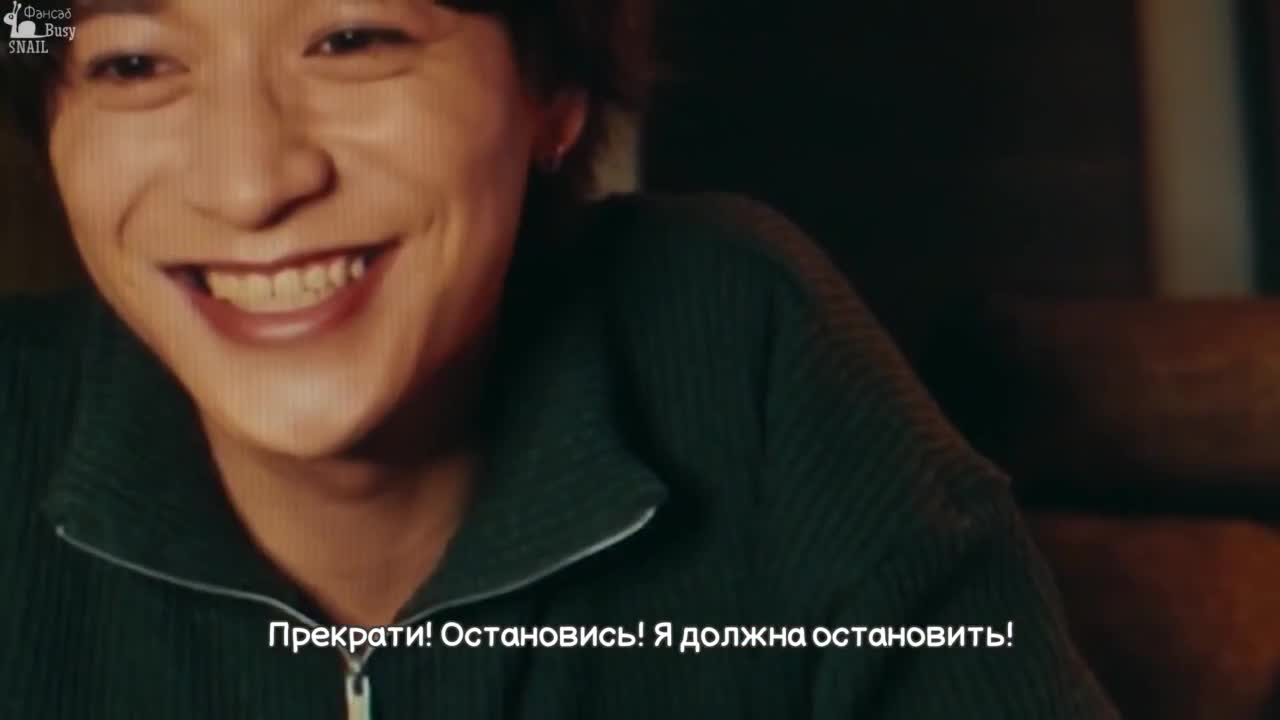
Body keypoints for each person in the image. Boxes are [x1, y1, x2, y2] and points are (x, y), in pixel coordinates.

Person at [0, 0, 1121, 718]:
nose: (249, 182)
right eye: (131, 62)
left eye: (352, 39)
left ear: (554, 97)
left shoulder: (741, 340)